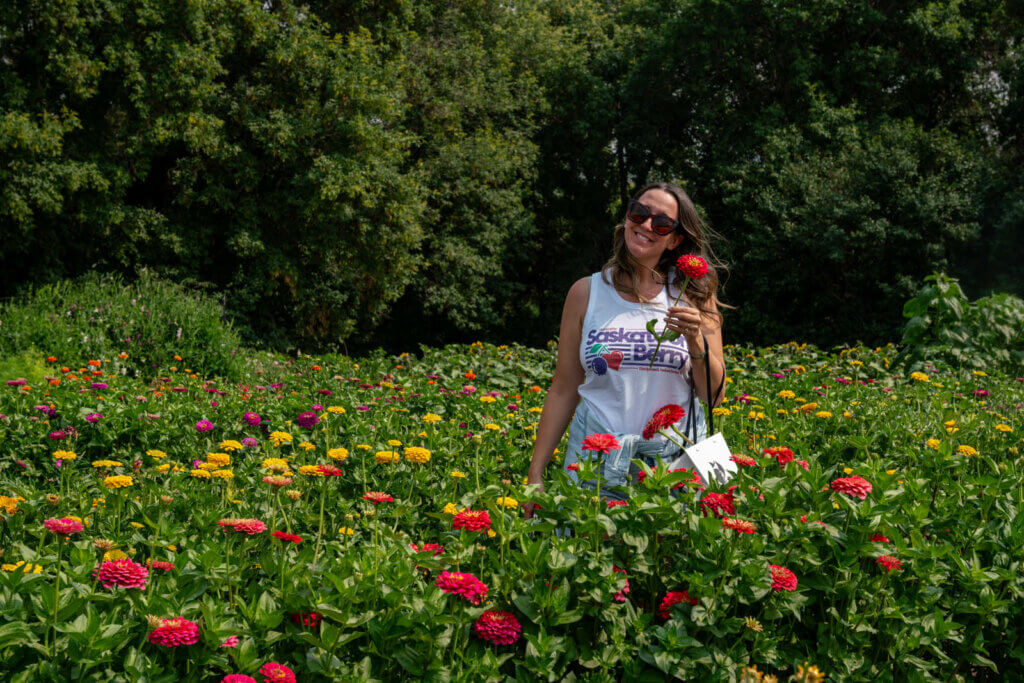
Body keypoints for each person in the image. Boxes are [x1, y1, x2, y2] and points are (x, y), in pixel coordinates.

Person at [524, 182, 727, 513]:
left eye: (662, 223)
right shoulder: (585, 292)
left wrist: (695, 340)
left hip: (674, 467)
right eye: (640, 212)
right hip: (595, 463)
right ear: (627, 217)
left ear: (675, 239)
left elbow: (714, 396)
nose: (646, 225)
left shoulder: (695, 294)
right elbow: (563, 389)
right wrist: (536, 472)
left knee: (677, 560)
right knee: (585, 557)